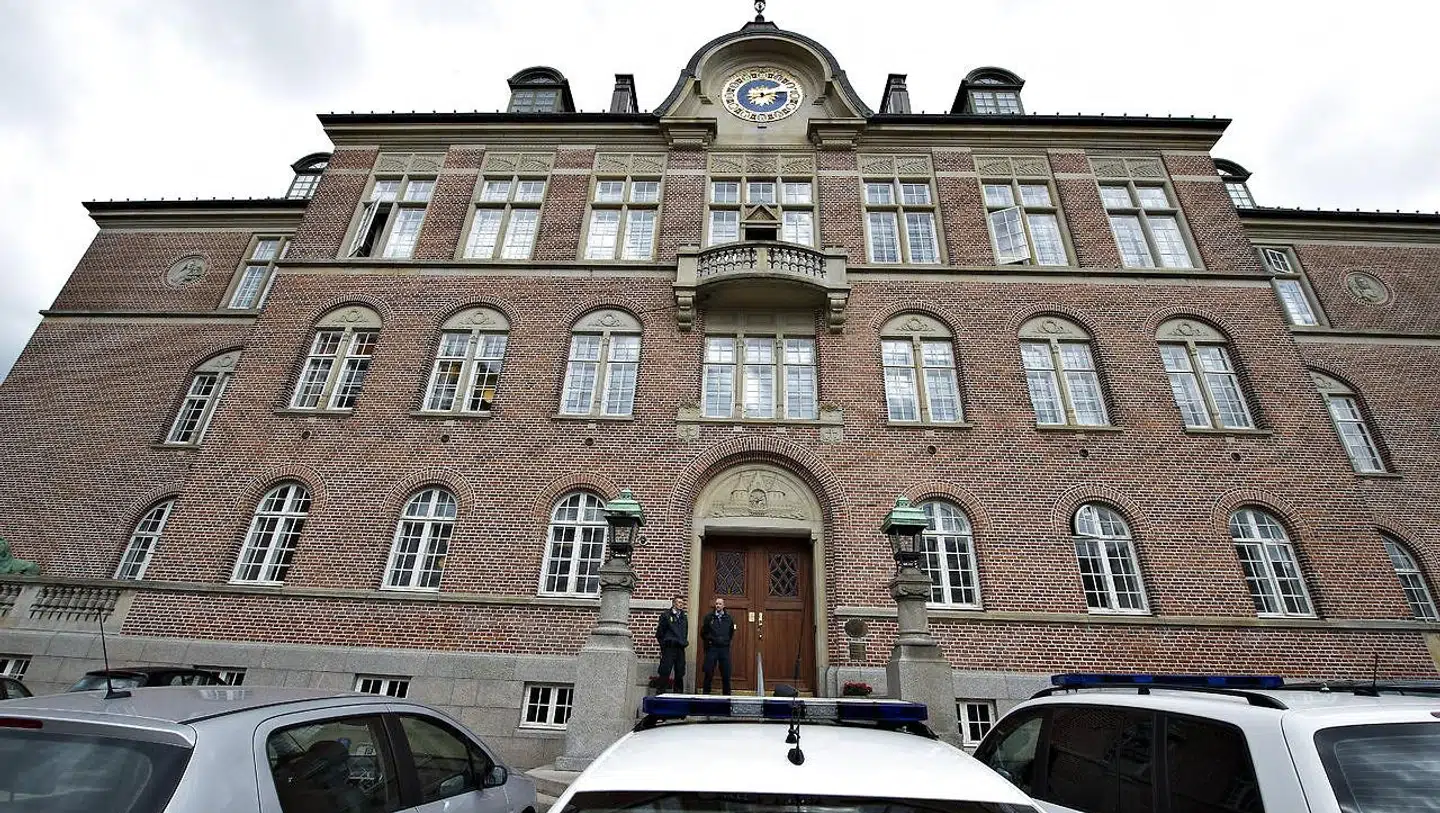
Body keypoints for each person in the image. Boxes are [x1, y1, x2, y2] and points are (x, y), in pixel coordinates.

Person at [701, 597, 737, 695]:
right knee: (709, 671)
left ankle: (727, 695)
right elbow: (703, 632)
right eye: (716, 604)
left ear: (723, 606)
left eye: (720, 604)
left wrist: (725, 641)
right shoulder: (709, 618)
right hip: (712, 648)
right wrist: (710, 640)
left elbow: (731, 632)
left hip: (724, 649)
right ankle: (706, 693)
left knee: (726, 672)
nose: (718, 605)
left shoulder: (728, 618)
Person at [654, 596, 688, 693]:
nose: (681, 604)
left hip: (680, 648)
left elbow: (685, 632)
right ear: (673, 603)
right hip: (669, 647)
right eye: (679, 602)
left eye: (682, 603)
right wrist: (664, 645)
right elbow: (660, 632)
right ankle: (660, 692)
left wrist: (683, 641)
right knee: (665, 670)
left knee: (680, 672)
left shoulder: (684, 617)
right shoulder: (666, 615)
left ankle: (678, 694)